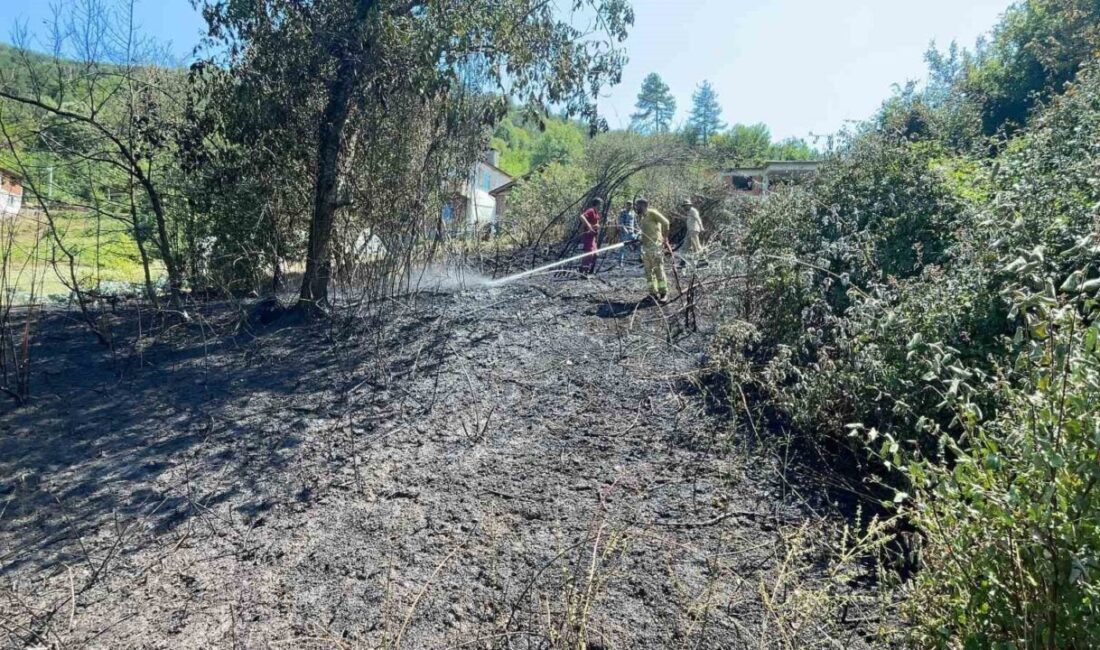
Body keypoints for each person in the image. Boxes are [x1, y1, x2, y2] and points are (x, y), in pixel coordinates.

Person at [635, 196, 670, 302]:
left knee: (658, 270)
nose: (637, 208)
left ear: (644, 205)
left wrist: (665, 239)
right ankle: (652, 293)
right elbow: (644, 231)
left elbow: (666, 223)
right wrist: (639, 238)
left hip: (655, 247)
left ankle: (663, 293)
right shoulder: (641, 217)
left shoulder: (652, 213)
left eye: (638, 206)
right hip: (645, 248)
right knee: (648, 272)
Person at [579, 198, 602, 274]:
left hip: (593, 236)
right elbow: (582, 216)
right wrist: (589, 226)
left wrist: (596, 226)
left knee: (595, 254)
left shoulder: (597, 213)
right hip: (587, 235)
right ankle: (584, 271)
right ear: (597, 204)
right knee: (589, 253)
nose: (601, 206)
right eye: (600, 204)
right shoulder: (591, 210)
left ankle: (587, 269)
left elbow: (596, 223)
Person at [617, 201, 639, 266]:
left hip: (632, 232)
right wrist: (625, 229)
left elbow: (635, 222)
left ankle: (641, 258)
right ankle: (620, 262)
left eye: (631, 205)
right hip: (624, 233)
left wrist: (638, 229)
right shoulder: (622, 212)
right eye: (628, 205)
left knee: (639, 242)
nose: (629, 206)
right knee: (622, 248)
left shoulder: (633, 213)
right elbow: (621, 223)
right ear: (626, 205)